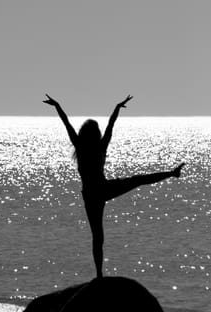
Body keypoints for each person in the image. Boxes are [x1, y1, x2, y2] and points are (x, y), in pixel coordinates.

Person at [43, 94, 184, 278]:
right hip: (102, 190)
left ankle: (99, 274)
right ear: (96, 133)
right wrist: (117, 107)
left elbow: (68, 123)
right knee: (137, 180)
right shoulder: (98, 146)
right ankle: (172, 173)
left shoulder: (81, 146)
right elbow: (109, 125)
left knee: (98, 236)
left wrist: (58, 106)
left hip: (93, 193)